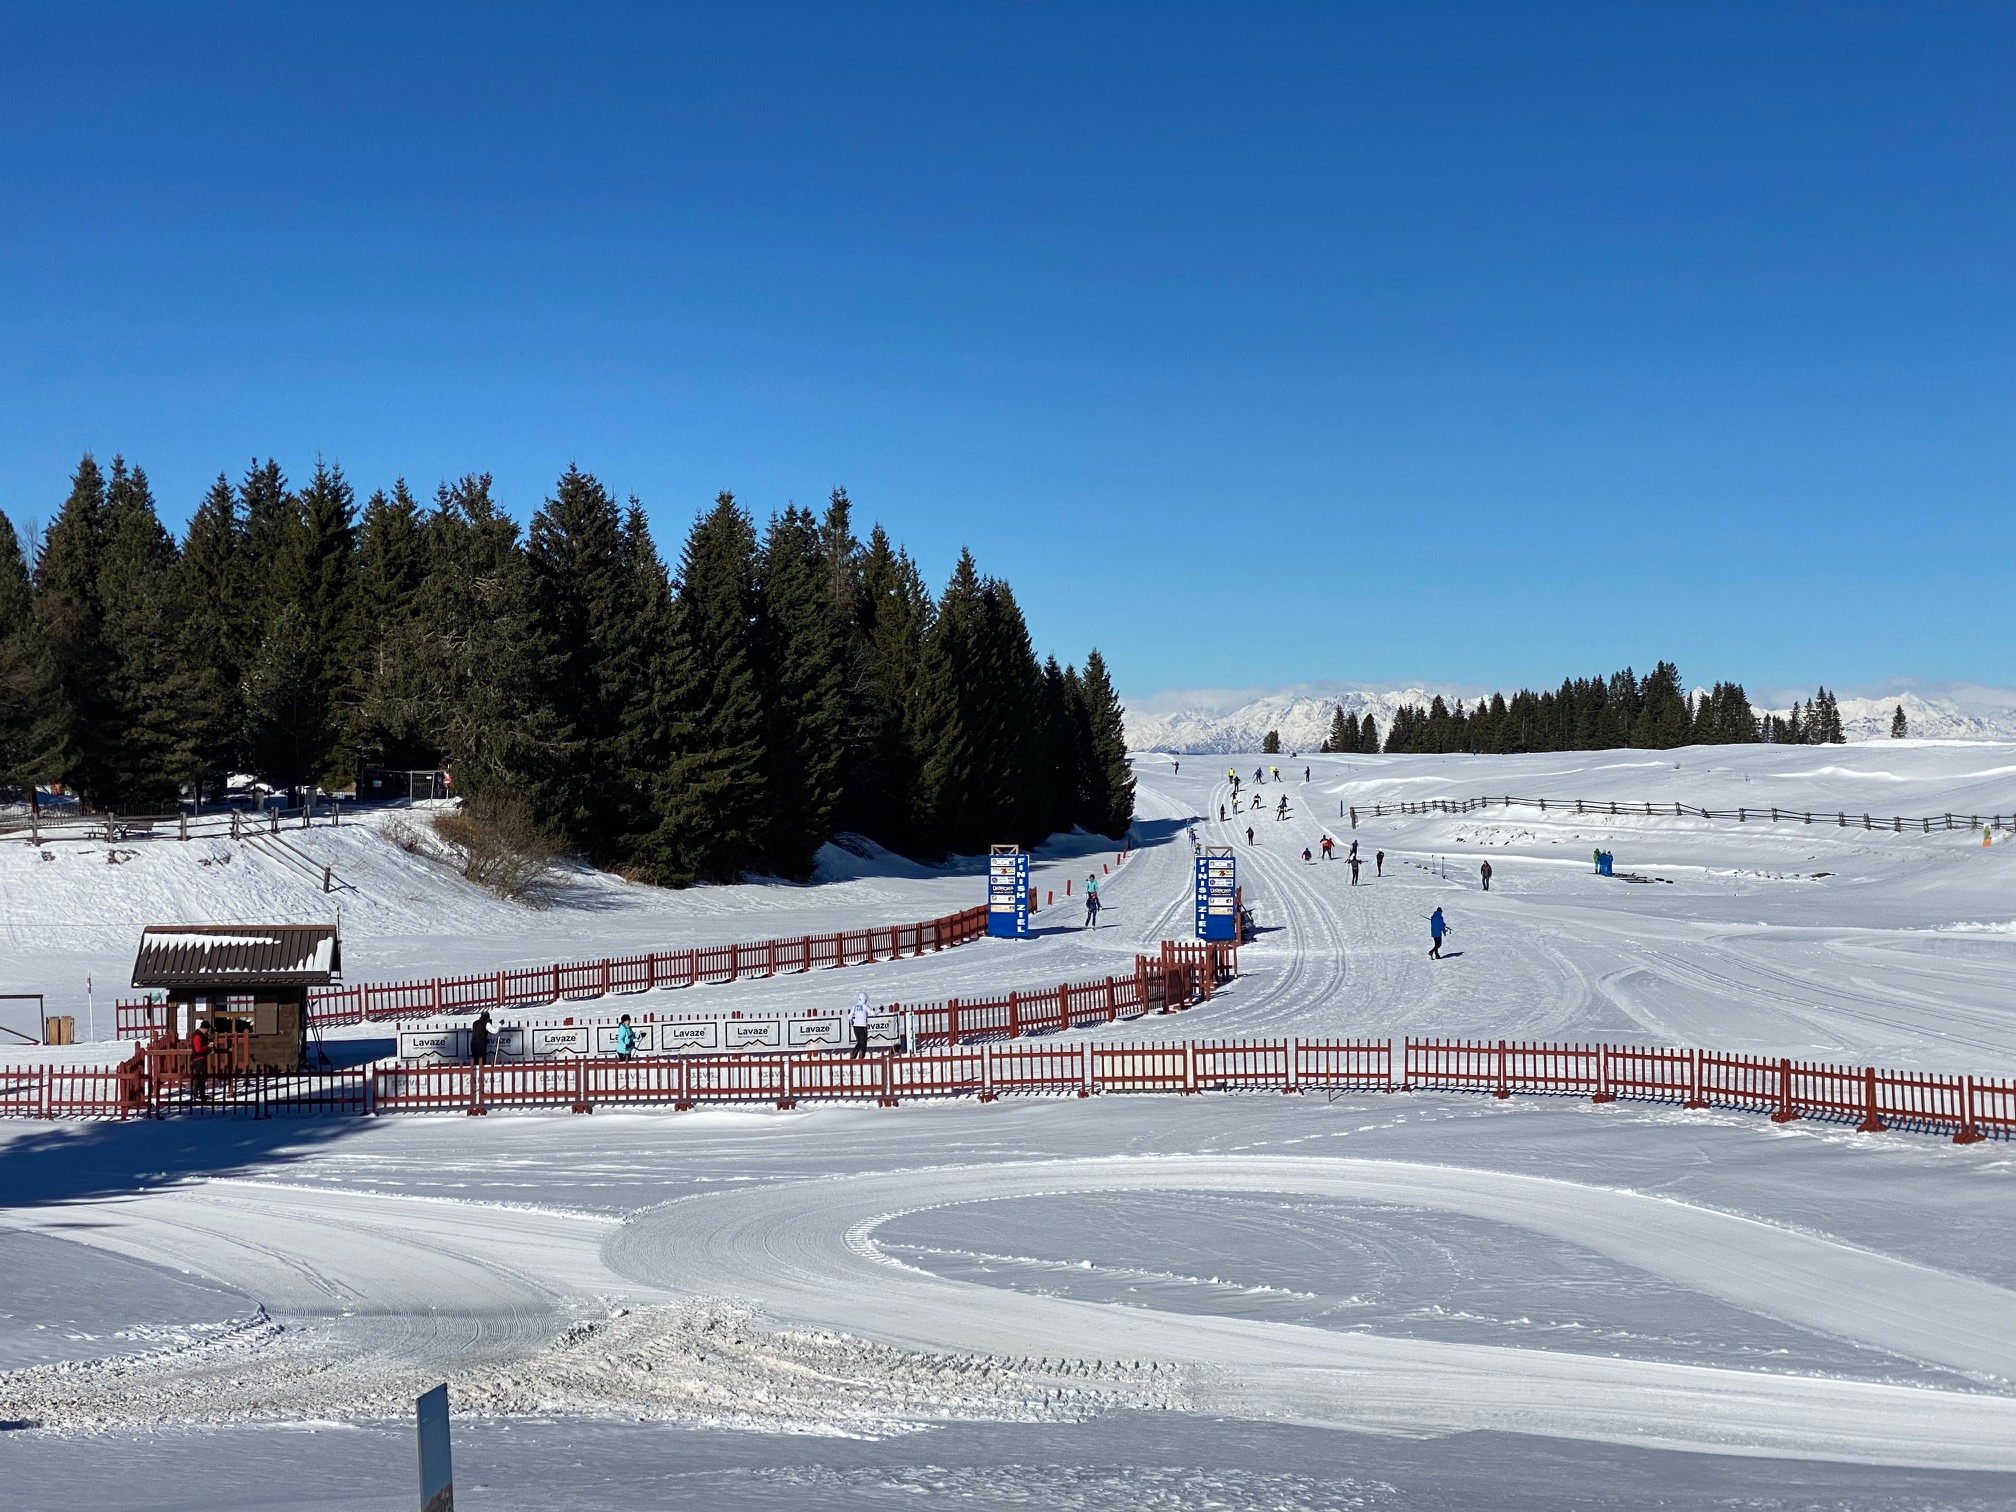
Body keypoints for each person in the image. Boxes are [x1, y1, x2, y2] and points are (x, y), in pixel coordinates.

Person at [187, 1018, 212, 1102]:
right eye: (207, 1029)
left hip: (201, 1059)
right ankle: (195, 1094)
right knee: (198, 1077)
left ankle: (201, 1094)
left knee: (202, 1078)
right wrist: (208, 1047)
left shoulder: (200, 1035)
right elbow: (198, 1049)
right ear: (205, 1028)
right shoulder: (197, 1035)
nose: (207, 1031)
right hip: (198, 1059)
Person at [849, 992, 872, 1058]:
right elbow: (873, 1013)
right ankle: (862, 1056)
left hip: (855, 1026)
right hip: (862, 1026)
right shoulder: (865, 1006)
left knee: (859, 1041)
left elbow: (849, 1016)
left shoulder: (855, 1006)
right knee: (863, 1042)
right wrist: (880, 1010)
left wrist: (851, 1021)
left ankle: (854, 1054)